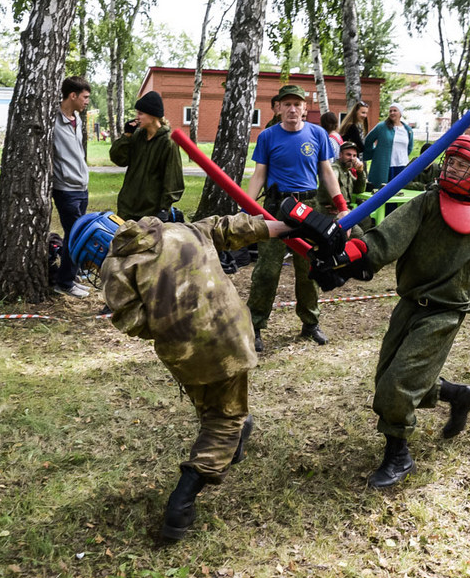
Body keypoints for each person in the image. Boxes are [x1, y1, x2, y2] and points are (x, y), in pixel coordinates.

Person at [297, 136, 470, 489]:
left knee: (398, 384)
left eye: (464, 165)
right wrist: (345, 259)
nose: (453, 168)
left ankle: (399, 455)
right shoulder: (427, 203)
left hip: (448, 311)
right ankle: (458, 395)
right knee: (388, 376)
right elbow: (385, 240)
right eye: (452, 161)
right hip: (411, 302)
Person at [69, 211, 295, 541]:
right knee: (223, 416)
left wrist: (170, 327)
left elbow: (131, 321)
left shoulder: (116, 268)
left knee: (221, 418)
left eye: (90, 262)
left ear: (97, 246)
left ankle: (182, 503)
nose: (93, 270)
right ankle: (196, 482)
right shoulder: (179, 229)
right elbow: (232, 228)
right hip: (230, 335)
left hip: (187, 355)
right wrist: (288, 224)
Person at [245, 84, 349, 351]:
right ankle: (254, 326)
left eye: (297, 104)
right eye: (287, 104)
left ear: (305, 108)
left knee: (309, 268)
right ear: (278, 107)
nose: (292, 109)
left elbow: (327, 172)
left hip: (309, 207)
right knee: (267, 270)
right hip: (276, 207)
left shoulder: (318, 134)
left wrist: (341, 205)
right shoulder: (267, 136)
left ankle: (310, 323)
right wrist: (247, 209)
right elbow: (259, 174)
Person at [108, 90, 184, 222]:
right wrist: (126, 136)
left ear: (153, 116)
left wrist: (164, 208)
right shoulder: (137, 136)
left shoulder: (168, 142)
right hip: (127, 207)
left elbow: (173, 178)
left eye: (140, 113)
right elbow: (119, 159)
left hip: (151, 211)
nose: (137, 117)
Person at [52, 76, 93, 297]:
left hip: (81, 186)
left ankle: (71, 276)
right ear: (73, 95)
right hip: (65, 188)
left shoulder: (76, 117)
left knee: (78, 234)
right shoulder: (54, 120)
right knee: (74, 234)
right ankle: (64, 282)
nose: (87, 102)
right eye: (85, 97)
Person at [364, 104, 413, 187]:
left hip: (402, 165)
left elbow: (409, 147)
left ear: (400, 113)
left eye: (395, 110)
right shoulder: (382, 127)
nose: (392, 113)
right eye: (390, 111)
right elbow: (368, 140)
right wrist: (375, 153)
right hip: (386, 166)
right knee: (383, 191)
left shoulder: (408, 130)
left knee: (400, 190)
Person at [316, 137, 366, 217]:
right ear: (340, 155)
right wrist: (337, 206)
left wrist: (360, 172)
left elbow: (359, 189)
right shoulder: (334, 168)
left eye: (354, 156)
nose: (352, 159)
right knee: (358, 226)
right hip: (330, 211)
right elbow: (330, 185)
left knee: (365, 218)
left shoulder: (347, 171)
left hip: (344, 209)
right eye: (348, 155)